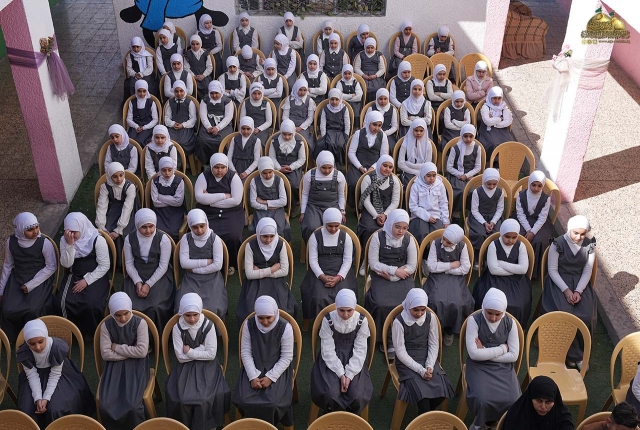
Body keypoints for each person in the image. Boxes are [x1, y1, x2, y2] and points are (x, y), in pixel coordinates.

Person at [166, 293, 231, 430]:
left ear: (200, 312)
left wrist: (190, 352)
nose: (192, 319)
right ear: (182, 313)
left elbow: (211, 355)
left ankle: (208, 426)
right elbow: (180, 357)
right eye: (188, 315)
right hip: (185, 367)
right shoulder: (177, 328)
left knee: (205, 398)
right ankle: (185, 425)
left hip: (207, 366)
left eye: (195, 315)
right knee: (182, 398)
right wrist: (202, 349)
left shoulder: (208, 325)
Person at [541, 215, 596, 370]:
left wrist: (578, 291)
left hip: (580, 283)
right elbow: (552, 270)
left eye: (582, 234)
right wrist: (566, 290)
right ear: (569, 229)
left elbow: (587, 271)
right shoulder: (557, 244)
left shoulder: (590, 246)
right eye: (575, 233)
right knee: (563, 313)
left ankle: (578, 353)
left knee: (585, 315)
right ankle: (566, 354)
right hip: (559, 282)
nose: (579, 237)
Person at [17, 319, 95, 429]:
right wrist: (38, 398)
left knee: (56, 408)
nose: (38, 347)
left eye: (41, 342)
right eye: (32, 344)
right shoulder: (25, 352)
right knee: (27, 409)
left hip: (60, 375)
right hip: (35, 377)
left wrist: (46, 398)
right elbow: (32, 375)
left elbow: (55, 374)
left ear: (46, 336)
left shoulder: (56, 348)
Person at [233, 296, 294, 427]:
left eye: (268, 318)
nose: (265, 322)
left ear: (275, 313)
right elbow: (245, 352)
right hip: (253, 366)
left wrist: (270, 377)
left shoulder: (286, 327)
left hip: (277, 369)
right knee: (243, 400)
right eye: (261, 318)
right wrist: (252, 376)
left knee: (272, 403)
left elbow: (286, 357)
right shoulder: (249, 325)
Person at [392, 289, 455, 415]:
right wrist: (421, 370)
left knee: (442, 393)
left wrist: (429, 365)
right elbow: (400, 352)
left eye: (423, 309)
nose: (419, 313)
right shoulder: (399, 322)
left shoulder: (431, 318)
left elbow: (433, 344)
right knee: (423, 399)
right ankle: (424, 418)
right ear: (408, 305)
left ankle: (424, 416)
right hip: (407, 361)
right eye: (415, 310)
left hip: (427, 356)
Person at [465, 288, 520, 430]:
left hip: (503, 367)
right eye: (489, 313)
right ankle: (480, 423)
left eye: (498, 314)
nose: (493, 318)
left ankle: (498, 422)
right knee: (483, 399)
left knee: (513, 399)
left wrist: (484, 351)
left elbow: (514, 355)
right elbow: (474, 354)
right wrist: (503, 348)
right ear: (484, 307)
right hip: (478, 366)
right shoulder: (474, 320)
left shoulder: (510, 323)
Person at [311, 289, 372, 414]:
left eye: (349, 310)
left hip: (354, 359)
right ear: (336, 307)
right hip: (331, 360)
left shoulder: (361, 320)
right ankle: (331, 415)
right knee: (330, 393)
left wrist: (349, 375)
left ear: (354, 307)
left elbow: (360, 350)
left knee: (357, 395)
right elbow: (327, 350)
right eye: (341, 310)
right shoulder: (328, 320)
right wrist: (340, 373)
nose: (345, 314)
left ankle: (351, 416)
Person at [0, 213, 56, 343]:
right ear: (20, 229)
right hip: (17, 277)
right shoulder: (11, 242)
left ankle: (34, 337)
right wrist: (1, 289)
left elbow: (51, 267)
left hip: (39, 278)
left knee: (32, 309)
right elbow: (8, 265)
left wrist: (31, 284)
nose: (35, 231)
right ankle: (13, 338)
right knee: (7, 309)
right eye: (30, 229)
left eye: (36, 227)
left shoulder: (44, 243)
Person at [364, 209, 416, 348]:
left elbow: (412, 266)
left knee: (408, 304)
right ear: (390, 223)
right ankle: (383, 338)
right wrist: (394, 271)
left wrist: (394, 277)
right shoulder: (377, 237)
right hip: (381, 275)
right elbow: (374, 264)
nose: (401, 231)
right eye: (397, 227)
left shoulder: (409, 240)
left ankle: (403, 337)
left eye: (404, 228)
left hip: (402, 277)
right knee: (381, 304)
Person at [53, 213, 110, 338]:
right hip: (73, 274)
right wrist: (69, 245)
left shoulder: (97, 240)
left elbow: (104, 265)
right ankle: (70, 332)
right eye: (68, 232)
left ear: (82, 227)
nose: (71, 235)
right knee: (61, 302)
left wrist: (86, 281)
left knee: (91, 304)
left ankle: (90, 333)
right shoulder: (65, 240)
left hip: (95, 276)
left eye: (74, 232)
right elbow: (66, 264)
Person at [99, 292, 149, 430]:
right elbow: (106, 354)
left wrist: (117, 347)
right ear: (112, 313)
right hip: (114, 366)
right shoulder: (106, 326)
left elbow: (142, 352)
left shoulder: (140, 323)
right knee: (106, 406)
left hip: (137, 366)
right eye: (118, 315)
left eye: (126, 313)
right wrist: (131, 352)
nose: (123, 318)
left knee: (133, 405)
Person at [122, 209, 175, 334]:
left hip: (158, 274)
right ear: (137, 226)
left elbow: (163, 266)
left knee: (156, 306)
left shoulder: (163, 239)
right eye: (144, 227)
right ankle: (135, 337)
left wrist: (148, 284)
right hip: (136, 274)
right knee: (131, 306)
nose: (148, 230)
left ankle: (157, 337)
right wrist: (138, 282)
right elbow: (129, 264)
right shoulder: (129, 238)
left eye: (151, 226)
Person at [472, 219, 531, 328]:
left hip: (517, 281)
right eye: (507, 236)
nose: (510, 240)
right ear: (502, 233)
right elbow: (493, 270)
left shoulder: (521, 246)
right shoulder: (493, 245)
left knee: (519, 304)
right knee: (488, 300)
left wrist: (501, 263)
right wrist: (515, 270)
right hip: (494, 279)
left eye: (514, 237)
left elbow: (523, 269)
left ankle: (513, 328)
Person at [301, 208, 358, 321]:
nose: (333, 229)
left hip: (341, 272)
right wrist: (322, 277)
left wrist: (338, 277)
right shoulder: (315, 236)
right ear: (324, 222)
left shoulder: (346, 237)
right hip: (320, 271)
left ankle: (342, 321)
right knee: (318, 297)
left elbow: (347, 260)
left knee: (344, 296)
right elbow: (312, 260)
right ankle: (320, 323)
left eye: (337, 226)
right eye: (330, 226)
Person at [236, 218, 296, 323]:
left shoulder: (280, 245)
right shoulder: (250, 246)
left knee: (283, 309)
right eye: (265, 236)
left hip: (276, 281)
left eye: (271, 236)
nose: (268, 240)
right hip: (254, 283)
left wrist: (260, 272)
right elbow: (249, 274)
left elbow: (285, 271)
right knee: (250, 310)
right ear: (259, 233)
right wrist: (272, 269)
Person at [423, 224, 473, 346]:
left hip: (455, 278)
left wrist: (443, 268)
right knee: (435, 300)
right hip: (437, 278)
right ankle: (435, 328)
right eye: (444, 239)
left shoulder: (462, 246)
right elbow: (431, 266)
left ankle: (450, 330)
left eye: (448, 242)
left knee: (457, 302)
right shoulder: (435, 243)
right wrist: (452, 265)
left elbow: (465, 268)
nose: (444, 243)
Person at [194, 153, 244, 276]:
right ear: (211, 166)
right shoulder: (204, 176)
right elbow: (199, 197)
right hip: (208, 213)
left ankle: (230, 263)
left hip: (231, 212)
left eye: (222, 167)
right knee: (205, 233)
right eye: (216, 167)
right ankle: (209, 261)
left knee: (233, 235)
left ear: (227, 166)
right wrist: (224, 196)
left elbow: (236, 201)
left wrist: (210, 200)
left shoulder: (234, 177)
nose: (219, 170)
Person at [176, 209, 227, 318]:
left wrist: (194, 269)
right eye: (195, 227)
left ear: (206, 223)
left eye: (202, 226)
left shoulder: (215, 239)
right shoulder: (186, 238)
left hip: (212, 278)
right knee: (183, 306)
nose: (199, 230)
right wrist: (207, 262)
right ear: (190, 226)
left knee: (213, 307)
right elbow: (184, 263)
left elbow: (217, 265)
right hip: (191, 279)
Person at [95, 161, 139, 266]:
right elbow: (102, 206)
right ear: (110, 176)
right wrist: (101, 226)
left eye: (121, 175)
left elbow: (127, 208)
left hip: (129, 212)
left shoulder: (130, 187)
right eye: (114, 177)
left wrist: (119, 229)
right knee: (107, 231)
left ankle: (122, 262)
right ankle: (109, 262)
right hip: (113, 209)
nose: (119, 179)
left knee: (123, 234)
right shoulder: (105, 187)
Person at [514, 171, 554, 279]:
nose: (536, 188)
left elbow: (542, 217)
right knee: (517, 236)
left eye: (539, 186)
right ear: (529, 183)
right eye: (533, 185)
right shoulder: (521, 195)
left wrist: (533, 232)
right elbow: (520, 214)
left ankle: (533, 271)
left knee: (539, 241)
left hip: (539, 223)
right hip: (522, 221)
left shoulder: (546, 199)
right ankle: (515, 266)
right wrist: (528, 229)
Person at [300, 151, 347, 243]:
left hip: (333, 205)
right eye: (324, 168)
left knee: (335, 226)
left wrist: (342, 211)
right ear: (318, 165)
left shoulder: (339, 176)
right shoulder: (309, 175)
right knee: (311, 227)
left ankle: (331, 248)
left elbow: (341, 195)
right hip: (314, 206)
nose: (327, 171)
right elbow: (305, 194)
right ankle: (312, 247)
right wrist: (303, 212)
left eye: (330, 168)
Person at [357, 155, 401, 251]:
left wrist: (385, 214)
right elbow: (366, 201)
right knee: (369, 228)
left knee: (393, 229)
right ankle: (366, 254)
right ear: (379, 164)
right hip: (370, 211)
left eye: (390, 167)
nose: (387, 169)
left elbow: (395, 202)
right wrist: (376, 215)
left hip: (388, 211)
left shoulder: (394, 181)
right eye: (385, 166)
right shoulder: (368, 178)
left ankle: (386, 255)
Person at [346, 110, 389, 208]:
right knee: (354, 183)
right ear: (369, 122)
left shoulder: (383, 136)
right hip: (358, 164)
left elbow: (383, 156)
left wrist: (373, 167)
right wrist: (360, 166)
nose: (377, 128)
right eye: (374, 125)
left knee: (375, 184)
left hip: (375, 165)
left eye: (379, 125)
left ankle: (371, 207)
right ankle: (356, 207)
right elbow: (351, 153)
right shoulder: (358, 133)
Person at [502, 375, 573, 430]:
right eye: (539, 401)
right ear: (530, 397)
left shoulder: (562, 415)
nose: (543, 407)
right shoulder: (516, 416)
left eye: (548, 402)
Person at [249, 157, 292, 241]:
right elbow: (253, 203)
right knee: (261, 229)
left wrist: (263, 202)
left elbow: (283, 201)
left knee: (279, 229)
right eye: (264, 173)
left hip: (277, 210)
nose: (268, 175)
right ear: (260, 171)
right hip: (261, 210)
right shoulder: (254, 181)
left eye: (270, 172)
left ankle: (280, 247)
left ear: (273, 170)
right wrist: (267, 207)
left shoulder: (279, 180)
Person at [445, 124, 482, 222]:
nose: (468, 139)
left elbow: (478, 167)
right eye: (465, 136)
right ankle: (456, 212)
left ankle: (471, 212)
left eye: (471, 136)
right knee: (460, 190)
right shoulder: (455, 148)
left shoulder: (477, 148)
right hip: (456, 174)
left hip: (470, 175)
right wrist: (460, 175)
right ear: (462, 135)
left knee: (472, 191)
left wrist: (467, 175)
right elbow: (449, 167)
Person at [268, 119, 306, 210]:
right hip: (278, 166)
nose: (287, 137)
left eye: (290, 134)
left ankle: (294, 204)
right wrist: (278, 168)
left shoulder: (299, 142)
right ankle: (278, 203)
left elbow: (302, 159)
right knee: (275, 182)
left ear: (293, 133)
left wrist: (291, 167)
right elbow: (272, 157)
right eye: (284, 134)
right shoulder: (274, 141)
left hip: (293, 167)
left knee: (294, 184)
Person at [467, 168, 504, 262]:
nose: (492, 186)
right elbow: (474, 210)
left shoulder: (500, 192)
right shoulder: (477, 192)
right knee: (480, 234)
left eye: (494, 184)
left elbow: (500, 209)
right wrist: (484, 223)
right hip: (479, 217)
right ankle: (478, 254)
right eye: (489, 184)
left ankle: (491, 256)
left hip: (494, 217)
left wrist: (493, 222)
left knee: (496, 234)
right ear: (484, 181)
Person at [408, 162, 450, 244]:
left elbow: (443, 203)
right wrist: (427, 217)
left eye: (434, 175)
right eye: (428, 176)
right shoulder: (416, 186)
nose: (432, 178)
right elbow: (413, 206)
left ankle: (433, 251)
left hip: (436, 216)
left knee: (436, 234)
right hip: (419, 216)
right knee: (421, 232)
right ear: (423, 174)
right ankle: (422, 251)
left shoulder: (440, 185)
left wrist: (445, 221)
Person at [196, 80, 234, 163]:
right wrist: (208, 127)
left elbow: (228, 116)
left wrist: (218, 128)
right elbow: (203, 115)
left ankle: (222, 162)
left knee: (221, 140)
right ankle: (206, 162)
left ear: (220, 91)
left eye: (216, 93)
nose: (214, 95)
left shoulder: (227, 101)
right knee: (203, 140)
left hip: (223, 125)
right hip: (208, 124)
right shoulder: (205, 100)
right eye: (212, 93)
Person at [149, 157, 186, 242]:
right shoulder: (155, 182)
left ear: (173, 169)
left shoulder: (179, 181)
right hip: (159, 211)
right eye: (164, 170)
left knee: (172, 231)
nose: (167, 173)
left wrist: (160, 197)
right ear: (160, 170)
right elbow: (155, 203)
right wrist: (172, 200)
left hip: (175, 212)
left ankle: (174, 248)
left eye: (170, 170)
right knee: (157, 230)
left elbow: (178, 202)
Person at [478, 86, 515, 161]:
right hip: (487, 130)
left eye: (499, 98)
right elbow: (487, 122)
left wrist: (494, 121)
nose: (497, 101)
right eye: (494, 98)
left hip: (502, 130)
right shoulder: (486, 107)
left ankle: (504, 162)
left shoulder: (503, 107)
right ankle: (493, 161)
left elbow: (507, 121)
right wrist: (500, 119)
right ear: (490, 97)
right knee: (493, 143)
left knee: (508, 143)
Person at [315, 88, 350, 164]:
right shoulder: (326, 109)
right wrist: (324, 136)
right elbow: (323, 124)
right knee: (329, 143)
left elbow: (347, 124)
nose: (334, 102)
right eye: (332, 99)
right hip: (329, 131)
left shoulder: (344, 109)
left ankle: (339, 162)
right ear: (329, 99)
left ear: (340, 99)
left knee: (340, 144)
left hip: (340, 132)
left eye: (336, 100)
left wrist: (346, 135)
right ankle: (329, 162)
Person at [281, 78, 316, 153]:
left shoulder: (309, 101)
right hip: (290, 123)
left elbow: (310, 118)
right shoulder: (289, 99)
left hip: (302, 125)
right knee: (286, 138)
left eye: (304, 90)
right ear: (296, 88)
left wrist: (300, 127)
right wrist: (290, 126)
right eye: (300, 90)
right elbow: (285, 116)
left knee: (302, 140)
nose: (302, 92)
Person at [164, 80, 197, 156]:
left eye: (181, 91)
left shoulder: (190, 102)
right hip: (173, 127)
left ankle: (182, 160)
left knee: (183, 142)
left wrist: (183, 125)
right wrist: (173, 124)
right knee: (169, 142)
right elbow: (167, 118)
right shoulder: (170, 102)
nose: (179, 93)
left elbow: (193, 119)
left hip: (186, 128)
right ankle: (173, 160)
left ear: (184, 90)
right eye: (176, 91)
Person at [398, 118, 433, 187]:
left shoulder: (428, 144)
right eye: (416, 130)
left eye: (421, 131)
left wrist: (409, 164)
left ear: (425, 131)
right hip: (408, 171)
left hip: (423, 171)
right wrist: (416, 172)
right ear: (412, 130)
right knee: (410, 185)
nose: (418, 133)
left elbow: (428, 164)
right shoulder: (406, 142)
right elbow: (400, 164)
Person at [228, 116, 261, 182]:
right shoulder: (234, 139)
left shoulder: (256, 141)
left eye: (248, 129)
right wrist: (233, 171)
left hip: (249, 169)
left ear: (252, 128)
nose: (245, 131)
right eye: (243, 128)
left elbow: (257, 160)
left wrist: (246, 172)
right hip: (234, 167)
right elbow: (229, 158)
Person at [239, 83, 272, 149]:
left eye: (259, 94)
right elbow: (242, 119)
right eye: (254, 93)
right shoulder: (246, 103)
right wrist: (249, 128)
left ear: (262, 94)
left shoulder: (266, 104)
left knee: (259, 142)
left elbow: (269, 121)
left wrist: (259, 129)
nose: (256, 96)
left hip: (262, 129)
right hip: (247, 128)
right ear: (251, 93)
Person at [125, 81, 158, 146]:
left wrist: (144, 127)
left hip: (147, 127)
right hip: (135, 126)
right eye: (139, 91)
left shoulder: (151, 103)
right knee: (130, 140)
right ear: (136, 90)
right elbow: (128, 119)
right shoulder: (132, 102)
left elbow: (155, 119)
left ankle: (141, 152)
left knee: (140, 140)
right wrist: (136, 126)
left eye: (144, 91)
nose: (142, 93)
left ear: (147, 90)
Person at [354, 37, 386, 104]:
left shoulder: (378, 55)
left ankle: (375, 104)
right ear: (365, 47)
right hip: (363, 75)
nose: (370, 49)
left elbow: (382, 69)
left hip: (375, 76)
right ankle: (363, 105)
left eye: (372, 48)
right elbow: (356, 68)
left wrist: (376, 75)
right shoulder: (361, 55)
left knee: (377, 88)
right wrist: (363, 75)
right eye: (368, 48)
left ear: (375, 47)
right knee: (362, 87)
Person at [124, 36, 155, 102]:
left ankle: (148, 103)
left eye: (138, 47)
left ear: (141, 46)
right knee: (131, 85)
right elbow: (129, 68)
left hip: (146, 74)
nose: (136, 49)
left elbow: (150, 68)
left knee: (147, 85)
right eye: (134, 47)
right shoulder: (130, 56)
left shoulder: (147, 55)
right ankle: (133, 103)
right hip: (135, 74)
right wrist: (134, 74)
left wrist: (142, 74)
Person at [184, 35, 213, 101]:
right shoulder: (187, 54)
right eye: (193, 44)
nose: (195, 46)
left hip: (204, 76)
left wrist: (203, 75)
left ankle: (205, 102)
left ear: (200, 43)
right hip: (192, 76)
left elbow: (209, 67)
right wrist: (194, 76)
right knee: (193, 87)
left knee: (207, 87)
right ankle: (195, 103)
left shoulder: (205, 53)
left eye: (197, 44)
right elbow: (186, 68)